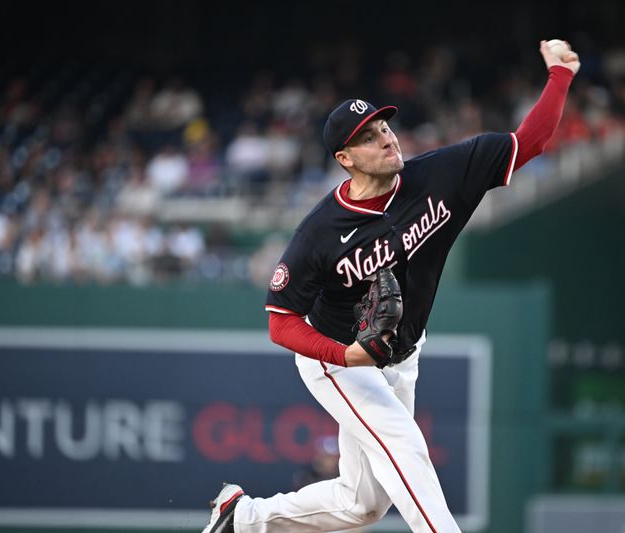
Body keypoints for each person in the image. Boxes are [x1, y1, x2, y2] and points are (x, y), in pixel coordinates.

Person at [201, 40, 580, 533]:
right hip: (337, 353)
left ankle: (243, 518)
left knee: (362, 506)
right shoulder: (319, 232)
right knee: (405, 445)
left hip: (402, 352)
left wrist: (559, 77)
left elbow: (527, 142)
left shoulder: (442, 175)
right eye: (368, 137)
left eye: (384, 126)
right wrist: (346, 358)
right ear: (346, 158)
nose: (386, 138)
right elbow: (280, 322)